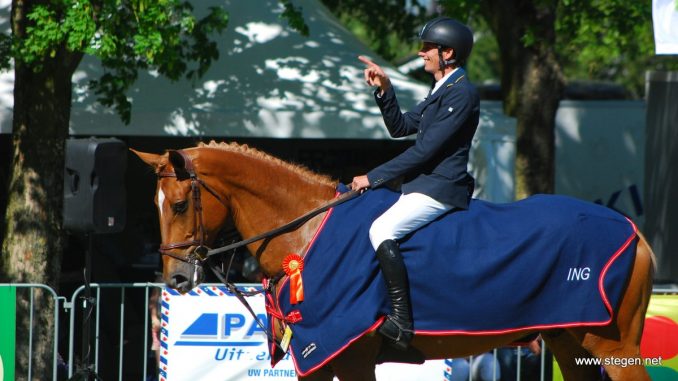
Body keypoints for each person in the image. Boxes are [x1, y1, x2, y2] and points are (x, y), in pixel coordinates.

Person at [351, 17, 479, 351]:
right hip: (422, 184)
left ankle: (402, 323)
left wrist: (372, 177)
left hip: (440, 187)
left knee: (381, 230)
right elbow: (401, 126)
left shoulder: (462, 92)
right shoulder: (443, 88)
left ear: (447, 52)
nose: (420, 53)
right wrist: (385, 88)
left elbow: (424, 152)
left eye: (427, 48)